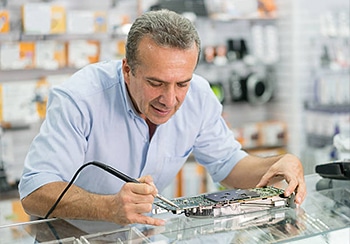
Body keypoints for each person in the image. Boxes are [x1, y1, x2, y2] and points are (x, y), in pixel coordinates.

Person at [19, 9, 306, 227]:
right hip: (69, 237)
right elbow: (34, 191)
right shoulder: (79, 99)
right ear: (127, 70)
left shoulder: (200, 96)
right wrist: (107, 207)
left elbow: (229, 165)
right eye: (156, 83)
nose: (170, 100)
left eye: (182, 83)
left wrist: (278, 164)